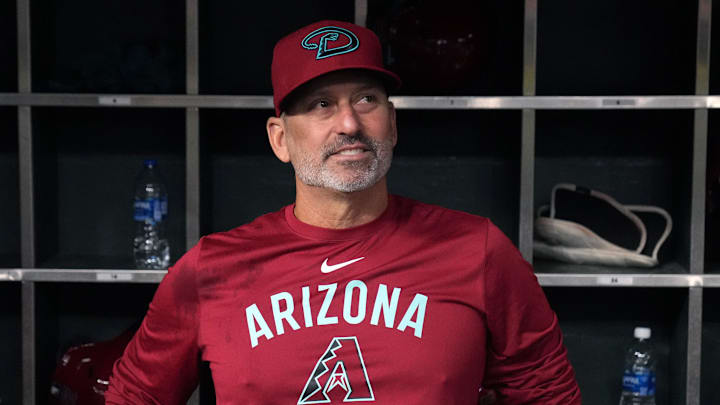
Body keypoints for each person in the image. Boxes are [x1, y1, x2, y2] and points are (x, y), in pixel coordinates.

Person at [106, 20, 581, 404]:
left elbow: (550, 393)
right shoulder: (211, 269)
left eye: (366, 99)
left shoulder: (477, 251)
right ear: (279, 139)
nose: (349, 123)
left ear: (392, 124)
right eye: (321, 105)